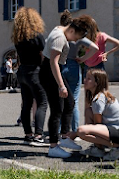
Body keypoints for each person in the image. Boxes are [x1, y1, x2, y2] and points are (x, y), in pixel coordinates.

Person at [39, 14, 94, 158]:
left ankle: (64, 137)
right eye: (76, 37)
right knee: (57, 109)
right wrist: (61, 86)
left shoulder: (60, 29)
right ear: (72, 30)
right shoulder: (59, 37)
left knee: (69, 103)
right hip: (49, 72)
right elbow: (53, 62)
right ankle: (53, 147)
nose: (76, 40)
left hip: (54, 71)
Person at [68, 69, 119, 161]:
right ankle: (99, 149)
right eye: (85, 78)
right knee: (88, 112)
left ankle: (118, 146)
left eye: (88, 79)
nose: (84, 80)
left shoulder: (99, 99)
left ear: (96, 83)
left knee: (81, 131)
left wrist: (75, 134)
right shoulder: (99, 96)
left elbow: (97, 125)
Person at [11, 7, 48, 146]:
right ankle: (39, 135)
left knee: (26, 104)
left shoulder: (17, 38)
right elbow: (44, 52)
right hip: (35, 71)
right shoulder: (37, 36)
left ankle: (28, 135)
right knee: (42, 102)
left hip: (22, 72)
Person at [59, 10, 99, 133]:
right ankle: (75, 130)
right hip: (74, 66)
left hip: (61, 65)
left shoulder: (60, 35)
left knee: (61, 100)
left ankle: (61, 130)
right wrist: (82, 59)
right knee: (74, 101)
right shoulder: (78, 38)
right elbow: (95, 48)